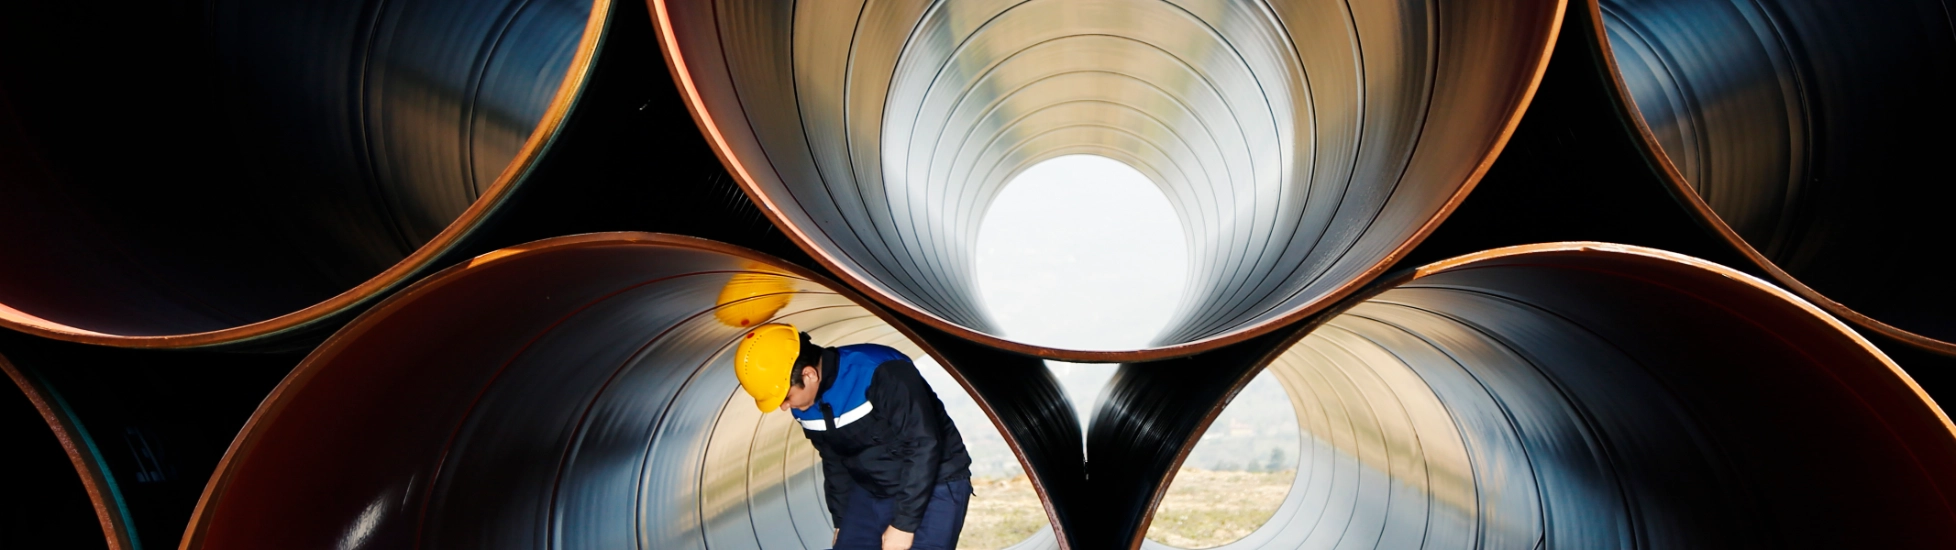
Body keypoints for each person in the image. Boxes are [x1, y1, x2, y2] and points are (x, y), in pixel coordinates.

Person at [733, 323, 973, 550]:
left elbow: (924, 443)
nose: (784, 407)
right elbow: (834, 458)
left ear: (809, 375)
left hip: (935, 481)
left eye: (785, 397)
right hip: (872, 487)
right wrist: (840, 520)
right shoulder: (805, 405)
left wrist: (904, 525)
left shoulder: (880, 371)